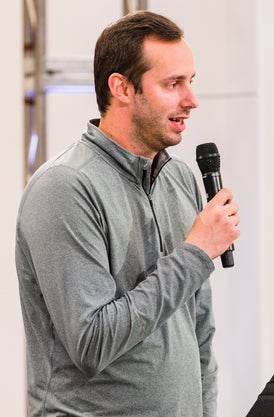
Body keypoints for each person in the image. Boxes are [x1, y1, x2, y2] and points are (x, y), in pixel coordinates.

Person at [15, 10, 239, 417]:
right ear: (121, 87)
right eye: (173, 84)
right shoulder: (64, 188)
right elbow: (92, 342)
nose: (191, 100)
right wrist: (194, 253)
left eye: (190, 82)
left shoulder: (180, 179)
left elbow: (199, 330)